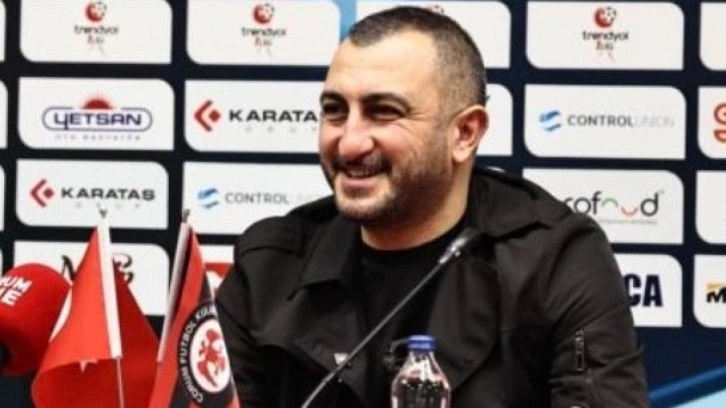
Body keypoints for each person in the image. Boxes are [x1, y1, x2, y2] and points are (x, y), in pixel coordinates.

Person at [216, 6, 649, 407]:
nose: (348, 142)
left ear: (465, 133)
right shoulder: (268, 265)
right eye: (335, 111)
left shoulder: (555, 258)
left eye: (383, 112)